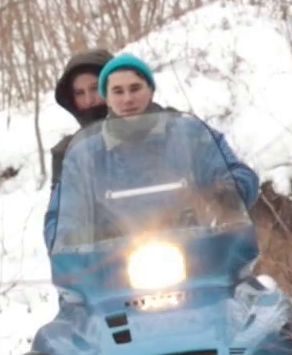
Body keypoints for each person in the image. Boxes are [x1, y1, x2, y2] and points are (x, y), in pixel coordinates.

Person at [44, 52, 260, 252]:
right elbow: (63, 213)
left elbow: (233, 170)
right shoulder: (85, 155)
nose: (127, 99)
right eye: (118, 91)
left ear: (151, 90)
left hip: (195, 251)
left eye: (135, 89)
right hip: (112, 263)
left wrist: (228, 190)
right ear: (107, 97)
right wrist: (70, 237)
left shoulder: (190, 135)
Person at [49, 48, 113, 185]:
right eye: (79, 93)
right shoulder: (68, 152)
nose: (88, 100)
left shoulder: (150, 131)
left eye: (95, 88)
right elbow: (61, 197)